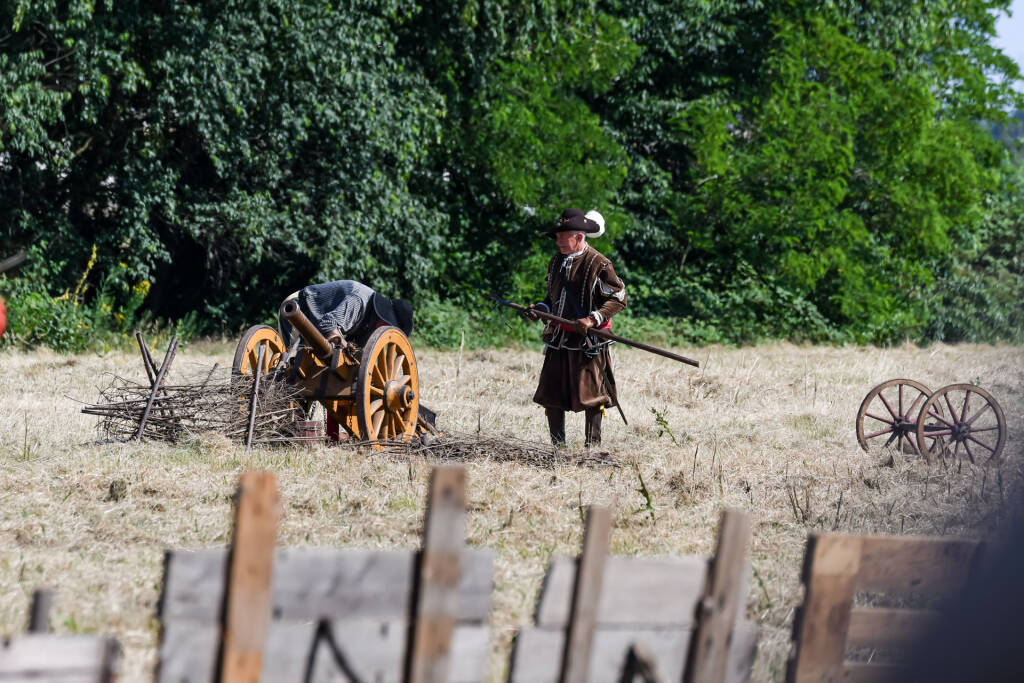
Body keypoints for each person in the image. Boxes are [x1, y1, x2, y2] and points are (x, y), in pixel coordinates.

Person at [525, 208, 626, 447]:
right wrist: (540, 308)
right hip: (558, 339)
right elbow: (552, 297)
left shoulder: (600, 264)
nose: (558, 239)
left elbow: (619, 298)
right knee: (551, 396)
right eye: (558, 235)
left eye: (563, 235)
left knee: (593, 397)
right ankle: (557, 449)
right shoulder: (556, 261)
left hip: (588, 342)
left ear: (579, 237)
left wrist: (592, 320)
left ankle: (592, 450)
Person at [278, 279, 413, 354]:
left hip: (315, 323)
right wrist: (344, 344)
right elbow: (327, 324)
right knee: (291, 367)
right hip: (299, 308)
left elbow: (357, 352)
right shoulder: (359, 301)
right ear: (384, 316)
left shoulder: (372, 321)